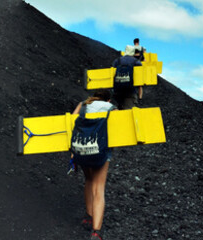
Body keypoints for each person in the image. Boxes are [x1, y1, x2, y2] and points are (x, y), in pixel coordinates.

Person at [71, 90, 116, 240]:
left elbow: (71, 122)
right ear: (108, 99)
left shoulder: (83, 105)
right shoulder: (110, 107)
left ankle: (88, 217)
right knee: (98, 187)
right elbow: (119, 128)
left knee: (89, 180)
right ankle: (96, 232)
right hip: (100, 151)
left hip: (81, 149)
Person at [112, 45, 143, 110]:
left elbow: (112, 72)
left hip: (117, 89)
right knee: (128, 111)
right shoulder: (136, 62)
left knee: (118, 110)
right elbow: (140, 76)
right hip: (130, 90)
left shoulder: (117, 61)